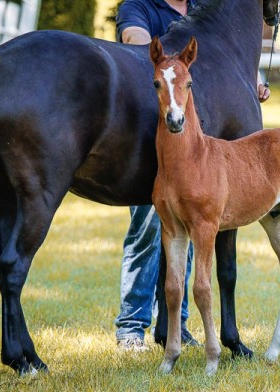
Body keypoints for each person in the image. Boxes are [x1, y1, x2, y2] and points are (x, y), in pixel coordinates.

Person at [114, 0, 270, 351]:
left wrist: (252, 81)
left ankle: (176, 327)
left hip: (195, 146)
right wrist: (171, 61)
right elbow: (136, 42)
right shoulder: (140, 7)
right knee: (146, 228)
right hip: (151, 139)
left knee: (191, 233)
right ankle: (131, 325)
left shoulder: (202, 7)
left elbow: (226, 54)